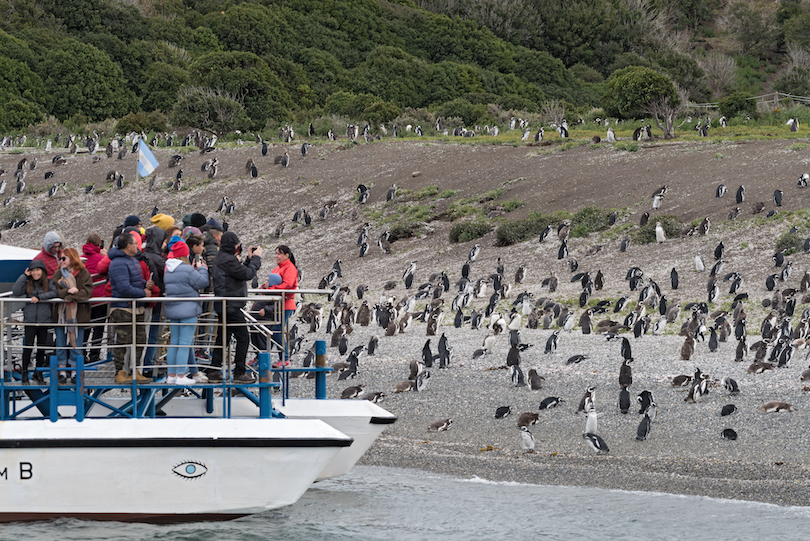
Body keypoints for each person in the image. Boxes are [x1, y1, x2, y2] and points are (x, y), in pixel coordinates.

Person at [209, 231, 262, 383]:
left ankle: (213, 371)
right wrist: (256, 259)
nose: (238, 248)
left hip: (224, 304)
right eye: (237, 245)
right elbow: (247, 274)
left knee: (223, 338)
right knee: (243, 337)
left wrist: (248, 260)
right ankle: (239, 373)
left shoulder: (223, 258)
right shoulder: (228, 259)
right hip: (230, 305)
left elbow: (239, 272)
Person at [107, 231, 154, 384]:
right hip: (123, 308)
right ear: (128, 246)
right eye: (135, 244)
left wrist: (144, 285)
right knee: (122, 340)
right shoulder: (119, 263)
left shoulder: (130, 260)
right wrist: (143, 293)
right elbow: (123, 288)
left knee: (140, 339)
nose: (137, 246)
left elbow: (130, 284)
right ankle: (120, 371)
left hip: (135, 307)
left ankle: (135, 371)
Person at [163, 239, 209, 385]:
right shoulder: (188, 269)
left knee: (174, 342)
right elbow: (202, 283)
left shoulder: (168, 270)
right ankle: (181, 376)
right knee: (184, 343)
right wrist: (201, 269)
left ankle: (171, 375)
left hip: (173, 310)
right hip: (188, 310)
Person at [52, 248, 93, 384]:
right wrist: (69, 292)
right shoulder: (58, 274)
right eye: (60, 258)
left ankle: (75, 372)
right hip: (60, 314)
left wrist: (69, 296)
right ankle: (62, 371)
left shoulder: (83, 273)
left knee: (77, 343)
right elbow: (54, 290)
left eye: (64, 258)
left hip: (78, 314)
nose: (61, 261)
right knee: (60, 343)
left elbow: (87, 292)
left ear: (72, 258)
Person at [13, 260, 57, 384]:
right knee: (28, 348)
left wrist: (39, 298)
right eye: (33, 270)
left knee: (41, 349)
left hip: (43, 321)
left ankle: (39, 374)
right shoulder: (27, 284)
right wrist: (24, 276)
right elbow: (16, 291)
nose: (36, 273)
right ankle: (25, 374)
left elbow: (55, 292)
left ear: (43, 271)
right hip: (30, 321)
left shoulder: (48, 283)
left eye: (38, 270)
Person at [266, 245, 299, 368]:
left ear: (286, 255)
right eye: (275, 253)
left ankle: (284, 358)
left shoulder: (290, 268)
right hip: (276, 304)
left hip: (286, 304)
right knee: (273, 330)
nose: (276, 256)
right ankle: (265, 355)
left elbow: (288, 285)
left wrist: (271, 288)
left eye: (279, 253)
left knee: (276, 329)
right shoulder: (277, 269)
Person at [82, 233, 108, 363]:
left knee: (85, 327)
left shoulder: (81, 259)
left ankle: (81, 354)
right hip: (100, 298)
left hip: (85, 298)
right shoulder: (101, 259)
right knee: (99, 328)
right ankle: (94, 354)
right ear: (99, 245)